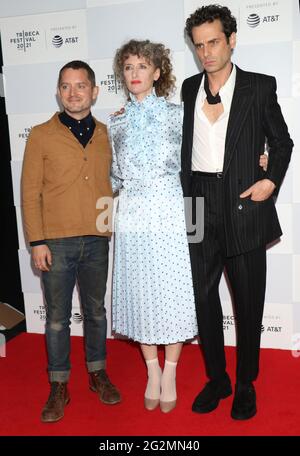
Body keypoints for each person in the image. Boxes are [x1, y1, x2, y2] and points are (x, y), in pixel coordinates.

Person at [181, 5, 293, 420]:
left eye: (213, 42)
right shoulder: (188, 88)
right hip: (196, 202)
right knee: (201, 297)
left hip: (244, 202)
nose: (206, 52)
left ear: (231, 39)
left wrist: (271, 180)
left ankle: (246, 382)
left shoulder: (260, 87)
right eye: (199, 45)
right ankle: (217, 379)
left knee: (249, 301)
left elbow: (282, 142)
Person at [21, 60, 121, 423]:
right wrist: (37, 242)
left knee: (96, 312)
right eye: (66, 86)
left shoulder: (110, 133)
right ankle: (59, 384)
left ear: (94, 91)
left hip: (97, 239)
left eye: (81, 86)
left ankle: (97, 374)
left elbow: (120, 182)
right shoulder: (41, 134)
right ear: (58, 91)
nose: (73, 93)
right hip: (57, 243)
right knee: (57, 320)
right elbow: (30, 193)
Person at [108, 39, 198, 413]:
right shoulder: (115, 122)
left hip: (172, 210)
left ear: (158, 73)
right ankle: (151, 372)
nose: (134, 74)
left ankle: (171, 372)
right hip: (132, 214)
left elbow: (201, 159)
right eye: (128, 67)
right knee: (141, 292)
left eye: (142, 66)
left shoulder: (179, 115)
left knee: (173, 292)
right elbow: (114, 176)